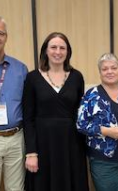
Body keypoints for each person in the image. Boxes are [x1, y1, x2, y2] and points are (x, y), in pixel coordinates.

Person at [22, 32, 89, 191]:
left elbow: (81, 113)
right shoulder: (32, 78)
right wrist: (31, 152)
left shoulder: (77, 77)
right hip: (43, 144)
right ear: (45, 50)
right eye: (53, 47)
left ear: (68, 52)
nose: (58, 52)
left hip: (71, 144)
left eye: (62, 48)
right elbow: (28, 117)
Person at [77, 53, 118, 191]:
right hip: (103, 161)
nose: (110, 72)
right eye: (105, 69)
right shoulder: (91, 95)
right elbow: (80, 124)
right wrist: (106, 131)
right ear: (100, 72)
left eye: (113, 68)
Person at [0, 16, 28, 191]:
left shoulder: (20, 69)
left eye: (1, 33)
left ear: (6, 37)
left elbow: (29, 105)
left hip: (16, 138)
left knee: (16, 189)